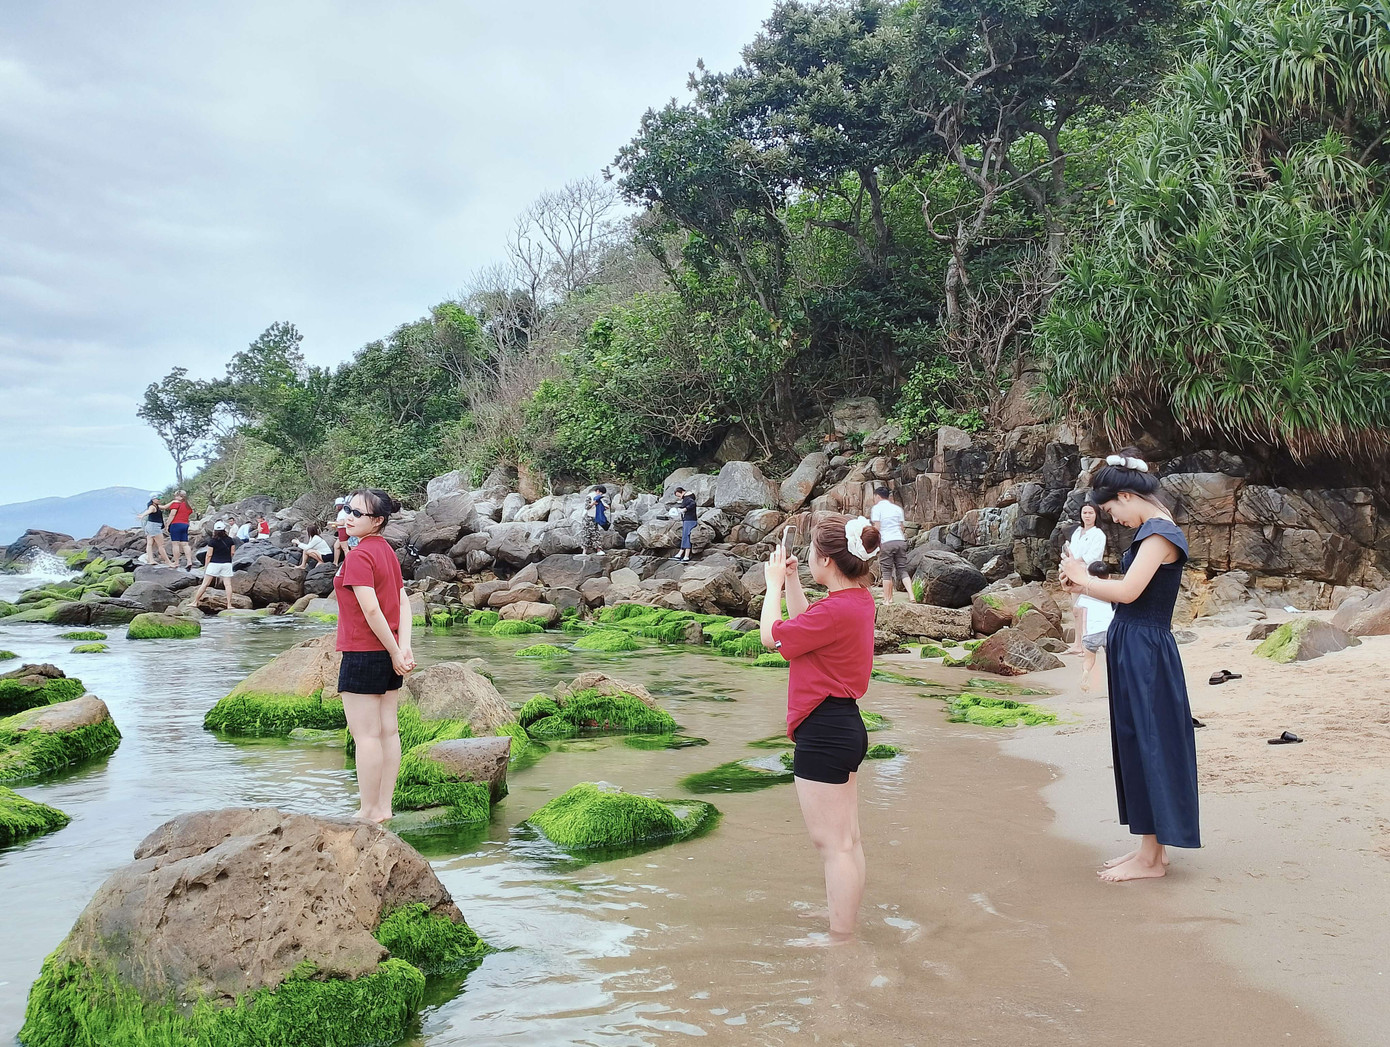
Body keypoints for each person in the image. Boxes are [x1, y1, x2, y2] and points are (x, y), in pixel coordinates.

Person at [1059, 451, 1198, 883]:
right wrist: (1085, 582)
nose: (1113, 519)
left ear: (1126, 495)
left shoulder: (1159, 533)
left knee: (1149, 744)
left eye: (1112, 509)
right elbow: (1127, 592)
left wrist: (1084, 578)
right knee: (1138, 742)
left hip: (1145, 650)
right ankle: (1149, 850)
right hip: (1136, 645)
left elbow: (1133, 593)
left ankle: (1151, 859)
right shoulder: (1155, 532)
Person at [759, 513, 880, 940]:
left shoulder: (836, 611)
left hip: (824, 729)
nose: (807, 558)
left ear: (827, 561)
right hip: (843, 724)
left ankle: (842, 937)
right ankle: (842, 919)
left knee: (833, 845)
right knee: (847, 840)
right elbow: (805, 624)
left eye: (810, 554)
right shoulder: (857, 601)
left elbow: (773, 638)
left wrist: (772, 583)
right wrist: (793, 582)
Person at [335, 487, 414, 823]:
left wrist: (398, 649)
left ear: (378, 520)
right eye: (347, 510)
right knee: (387, 731)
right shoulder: (385, 551)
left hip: (363, 651)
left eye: (357, 514)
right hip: (387, 652)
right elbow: (403, 601)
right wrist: (402, 647)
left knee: (366, 736)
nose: (348, 517)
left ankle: (369, 811)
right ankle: (384, 807)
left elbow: (371, 608)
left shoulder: (359, 556)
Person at [1064, 503, 1108, 654]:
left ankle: (1086, 645)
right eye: (1085, 512)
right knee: (1076, 609)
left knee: (1084, 609)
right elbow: (1072, 550)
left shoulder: (1098, 534)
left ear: (1096, 515)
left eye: (1090, 513)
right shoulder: (1077, 531)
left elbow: (1094, 556)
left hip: (1088, 573)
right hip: (1074, 572)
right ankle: (1077, 644)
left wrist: (1076, 562)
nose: (1087, 516)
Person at [869, 487, 915, 604]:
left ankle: (887, 599)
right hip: (900, 540)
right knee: (902, 569)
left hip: (887, 542)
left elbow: (877, 527)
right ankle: (911, 596)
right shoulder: (897, 508)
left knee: (886, 572)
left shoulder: (877, 508)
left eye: (874, 497)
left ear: (877, 496)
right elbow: (901, 527)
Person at [1077, 563, 1114, 692]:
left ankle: (1086, 673)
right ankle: (1114, 684)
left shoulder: (1087, 594)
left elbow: (1083, 615)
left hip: (1093, 632)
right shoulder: (1112, 592)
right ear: (1109, 577)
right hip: (1110, 631)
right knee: (1112, 661)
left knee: (1089, 659)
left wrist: (1084, 634)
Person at [191, 520, 237, 609]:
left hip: (214, 564)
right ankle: (229, 605)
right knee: (227, 585)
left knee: (205, 584)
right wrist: (228, 560)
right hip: (227, 564)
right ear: (224, 530)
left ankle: (195, 602)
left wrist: (206, 566)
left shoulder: (212, 541)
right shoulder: (230, 540)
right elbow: (232, 552)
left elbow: (209, 555)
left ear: (214, 531)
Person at [137, 495, 175, 567]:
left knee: (149, 544)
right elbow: (149, 511)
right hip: (154, 527)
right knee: (161, 545)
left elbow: (164, 507)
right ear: (153, 499)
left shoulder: (156, 506)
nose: (159, 500)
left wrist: (173, 501)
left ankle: (151, 560)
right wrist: (142, 515)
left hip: (149, 526)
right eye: (157, 499)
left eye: (159, 498)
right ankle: (168, 562)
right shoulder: (152, 507)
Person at [163, 491, 196, 569]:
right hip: (185, 524)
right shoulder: (187, 505)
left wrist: (167, 524)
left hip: (176, 524)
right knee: (185, 544)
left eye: (176, 496)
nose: (175, 498)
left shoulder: (176, 504)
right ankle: (189, 561)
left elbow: (172, 514)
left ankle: (176, 562)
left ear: (180, 497)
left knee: (175, 544)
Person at [578, 485, 610, 557]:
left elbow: (601, 506)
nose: (601, 495)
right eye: (601, 493)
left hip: (594, 518)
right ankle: (584, 552)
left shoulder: (599, 498)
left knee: (595, 533)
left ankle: (598, 550)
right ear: (598, 491)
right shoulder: (590, 496)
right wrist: (593, 503)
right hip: (587, 517)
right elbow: (586, 507)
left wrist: (605, 507)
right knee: (587, 534)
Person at [674, 486, 698, 562]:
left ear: (682, 492)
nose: (679, 498)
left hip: (690, 520)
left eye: (679, 496)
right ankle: (681, 553)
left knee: (687, 536)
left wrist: (685, 509)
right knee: (685, 536)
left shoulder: (687, 498)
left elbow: (693, 504)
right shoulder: (688, 498)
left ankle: (686, 555)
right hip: (688, 519)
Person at [333, 498, 351, 564]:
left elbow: (342, 523)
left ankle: (348, 562)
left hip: (342, 530)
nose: (337, 507)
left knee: (345, 548)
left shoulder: (342, 513)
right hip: (345, 530)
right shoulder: (347, 511)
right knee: (336, 546)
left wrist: (332, 523)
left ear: (340, 505)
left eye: (337, 506)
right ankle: (335, 562)